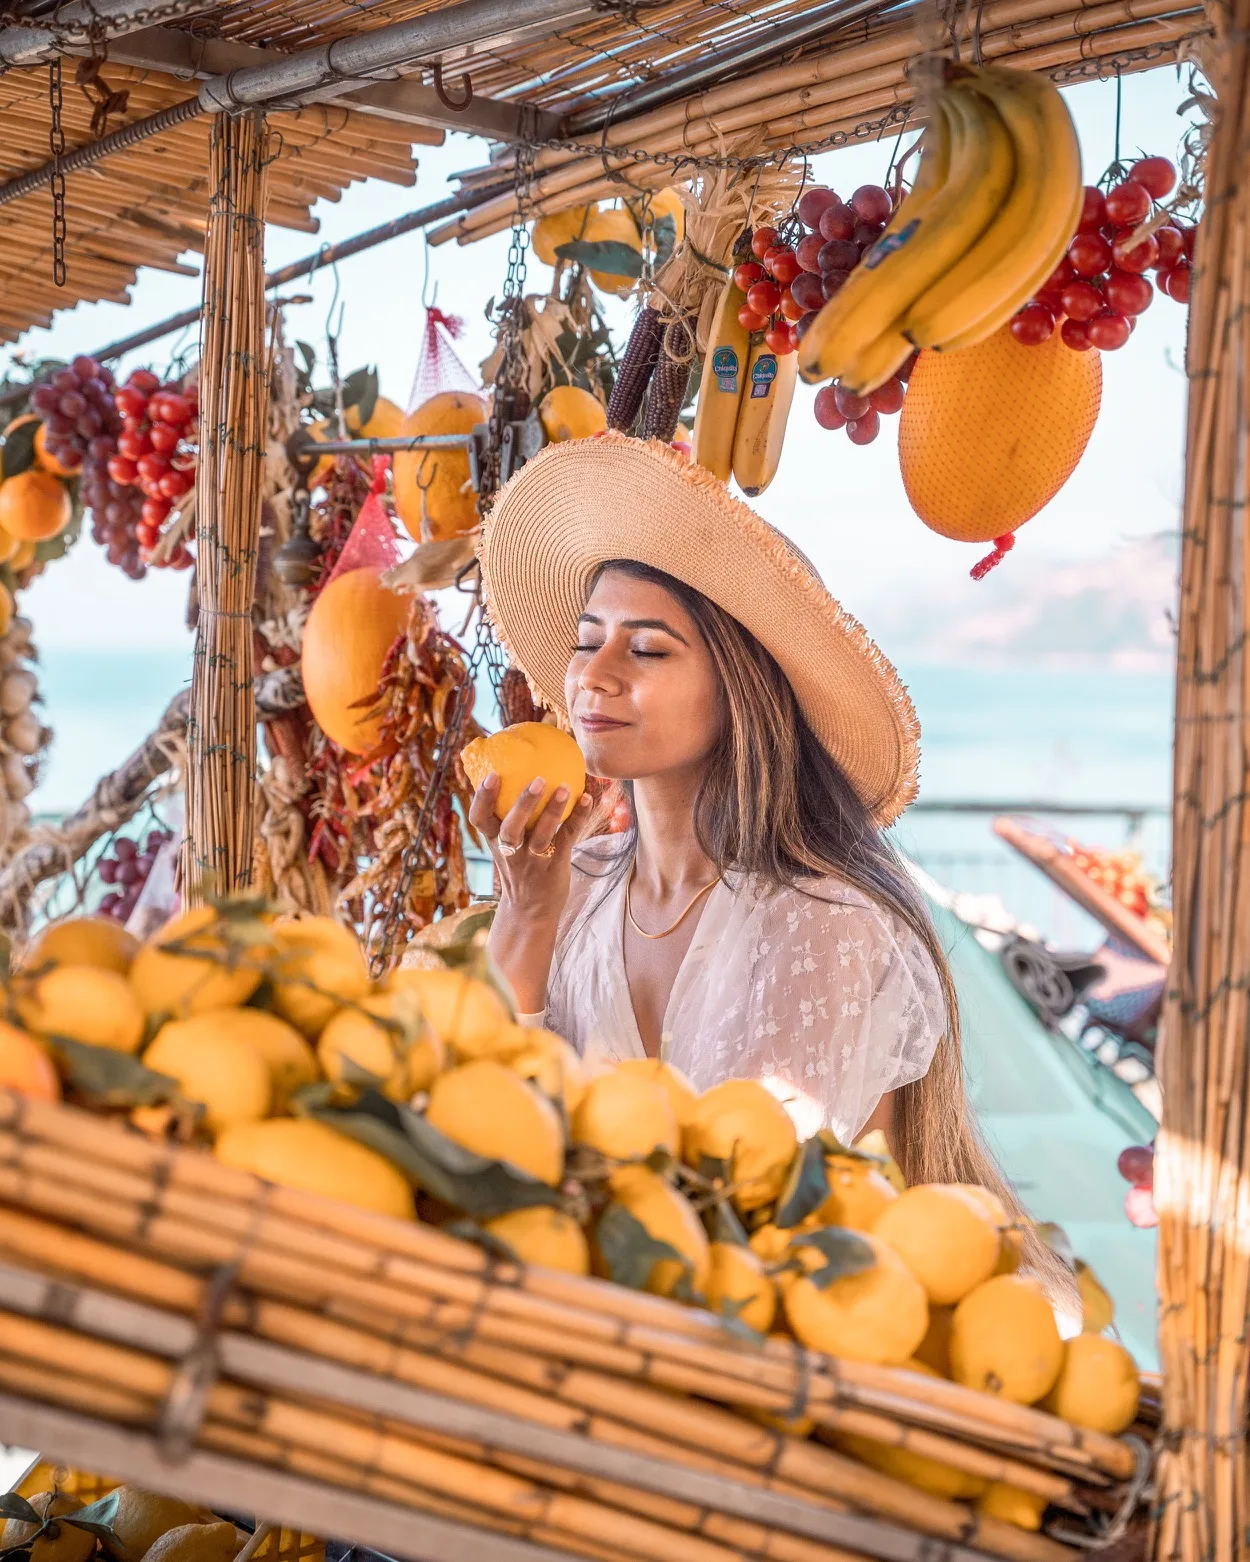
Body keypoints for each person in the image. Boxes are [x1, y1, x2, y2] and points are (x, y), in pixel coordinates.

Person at [469, 432, 1007, 1198]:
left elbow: (741, 1204)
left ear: (741, 690)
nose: (595, 675)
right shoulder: (571, 887)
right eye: (589, 641)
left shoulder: (823, 925)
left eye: (648, 651)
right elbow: (471, 1126)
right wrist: (524, 915)